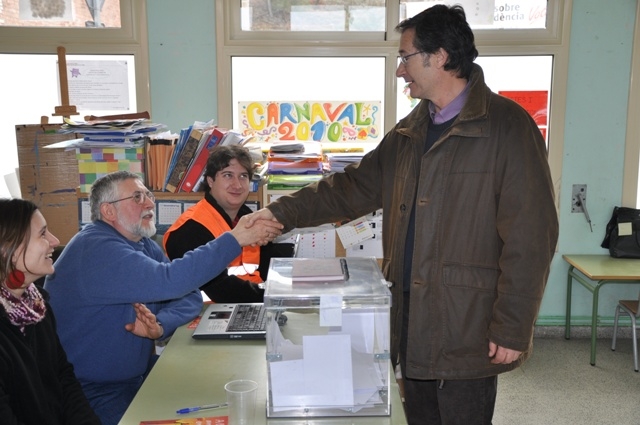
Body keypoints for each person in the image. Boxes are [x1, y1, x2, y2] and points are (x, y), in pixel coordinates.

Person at [246, 5, 559, 424]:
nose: (399, 71)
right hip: (410, 317)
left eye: (405, 57)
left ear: (441, 56)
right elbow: (349, 188)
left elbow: (531, 236)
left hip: (468, 323)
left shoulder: (507, 127)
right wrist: (278, 212)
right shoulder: (410, 130)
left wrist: (513, 326)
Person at [44, 170, 282, 425]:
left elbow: (188, 292)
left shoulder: (141, 243)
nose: (149, 202)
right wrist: (234, 239)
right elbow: (173, 280)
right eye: (137, 197)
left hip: (136, 373)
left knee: (221, 392)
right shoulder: (97, 248)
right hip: (93, 390)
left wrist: (161, 325)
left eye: (148, 194)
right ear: (108, 211)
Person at [0, 198, 100, 425]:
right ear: (9, 250)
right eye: (43, 234)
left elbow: (63, 377)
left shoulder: (36, 308)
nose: (55, 241)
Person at [163, 145, 293, 302]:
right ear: (210, 181)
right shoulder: (189, 229)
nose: (237, 185)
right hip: (206, 313)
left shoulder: (247, 217)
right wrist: (274, 296)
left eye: (243, 176)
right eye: (228, 175)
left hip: (249, 304)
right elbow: (221, 289)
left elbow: (267, 263)